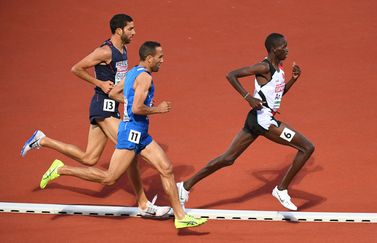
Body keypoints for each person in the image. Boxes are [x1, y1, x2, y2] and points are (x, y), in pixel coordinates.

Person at [38, 41, 207, 229]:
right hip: (131, 133)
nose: (163, 60)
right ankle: (61, 170)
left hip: (141, 133)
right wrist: (157, 109)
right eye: (160, 57)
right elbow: (137, 107)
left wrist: (131, 102)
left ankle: (180, 217)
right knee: (109, 178)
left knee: (166, 168)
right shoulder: (145, 79)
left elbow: (115, 93)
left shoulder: (133, 72)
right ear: (149, 58)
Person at [20, 14, 168, 216]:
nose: (134, 32)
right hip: (103, 107)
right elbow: (77, 68)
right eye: (130, 29)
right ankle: (143, 204)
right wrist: (99, 83)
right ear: (118, 31)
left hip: (111, 106)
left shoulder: (123, 49)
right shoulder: (105, 51)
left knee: (89, 158)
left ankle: (44, 142)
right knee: (130, 150)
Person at [176, 33, 315, 211]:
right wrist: (248, 96)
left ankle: (185, 186)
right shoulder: (263, 67)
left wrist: (294, 79)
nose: (287, 50)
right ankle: (281, 189)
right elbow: (231, 75)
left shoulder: (279, 69)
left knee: (228, 158)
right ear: (274, 49)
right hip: (264, 121)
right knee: (307, 147)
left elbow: (276, 97)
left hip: (258, 119)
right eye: (283, 47)